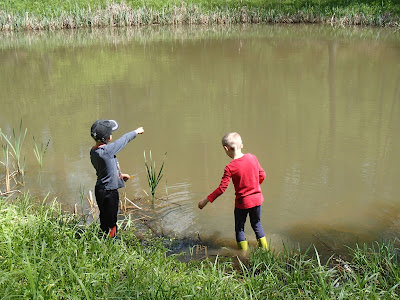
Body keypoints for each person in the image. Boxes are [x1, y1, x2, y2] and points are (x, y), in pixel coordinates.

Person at [198, 132, 268, 251]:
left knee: (240, 229)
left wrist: (205, 201)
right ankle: (266, 251)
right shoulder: (252, 157)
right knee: (257, 224)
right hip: (257, 200)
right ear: (241, 145)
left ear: (226, 148)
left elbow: (221, 189)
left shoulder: (230, 167)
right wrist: (254, 186)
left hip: (242, 203)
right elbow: (263, 175)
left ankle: (243, 254)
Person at [90, 119, 144, 238]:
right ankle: (112, 243)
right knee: (112, 221)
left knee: (104, 217)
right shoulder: (108, 151)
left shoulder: (93, 151)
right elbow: (124, 139)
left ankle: (103, 237)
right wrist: (136, 132)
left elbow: (104, 170)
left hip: (99, 189)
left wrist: (120, 176)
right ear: (108, 138)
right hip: (110, 193)